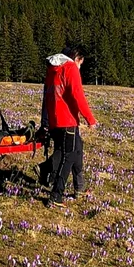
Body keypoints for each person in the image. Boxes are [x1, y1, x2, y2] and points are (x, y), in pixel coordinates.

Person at [41, 46, 97, 208]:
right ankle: (56, 195)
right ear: (77, 59)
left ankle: (79, 187)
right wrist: (90, 119)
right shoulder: (70, 68)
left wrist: (46, 122)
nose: (80, 67)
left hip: (55, 120)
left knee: (74, 149)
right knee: (69, 156)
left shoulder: (53, 69)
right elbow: (77, 95)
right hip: (67, 121)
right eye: (81, 63)